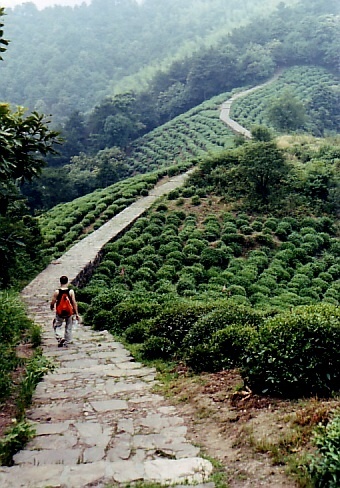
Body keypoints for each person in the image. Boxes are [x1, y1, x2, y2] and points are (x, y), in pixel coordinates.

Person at [50, 275, 79, 348]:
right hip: (69, 312)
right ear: (67, 282)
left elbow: (53, 301)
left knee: (57, 325)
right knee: (69, 325)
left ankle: (60, 337)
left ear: (60, 282)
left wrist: (52, 307)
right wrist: (76, 313)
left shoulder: (57, 292)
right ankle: (67, 340)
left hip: (60, 312)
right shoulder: (70, 291)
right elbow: (74, 302)